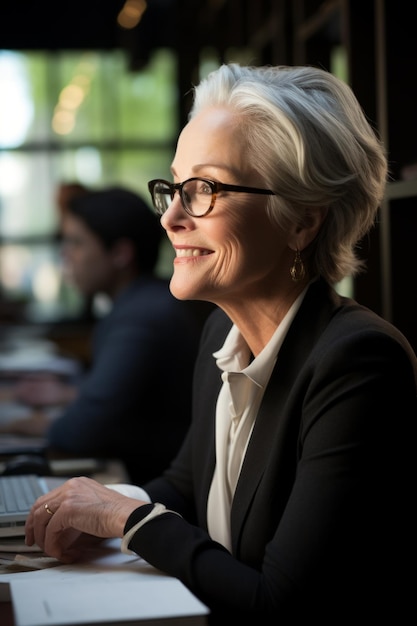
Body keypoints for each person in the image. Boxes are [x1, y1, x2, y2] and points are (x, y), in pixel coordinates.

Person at [25, 64, 417, 624]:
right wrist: (100, 507)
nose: (171, 218)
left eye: (204, 188)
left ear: (302, 220)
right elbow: (187, 483)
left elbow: (279, 602)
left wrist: (128, 522)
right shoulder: (221, 330)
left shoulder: (358, 362)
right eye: (174, 187)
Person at [2, 186, 203, 484]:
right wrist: (73, 394)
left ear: (120, 254)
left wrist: (37, 424)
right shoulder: (145, 300)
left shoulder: (140, 318)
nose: (65, 254)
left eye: (77, 242)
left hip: (159, 488)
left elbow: (82, 430)